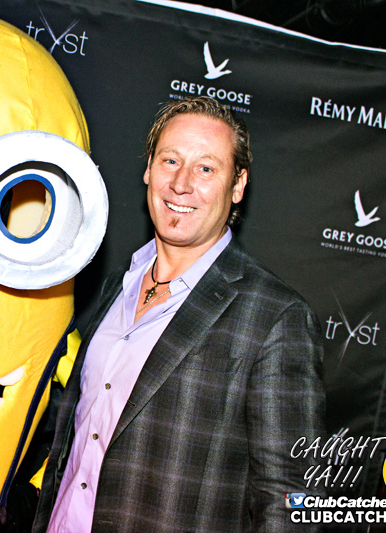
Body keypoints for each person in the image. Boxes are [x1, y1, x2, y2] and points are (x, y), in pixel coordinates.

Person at [31, 96, 326, 532]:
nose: (181, 183)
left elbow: (291, 497)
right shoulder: (116, 286)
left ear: (238, 185)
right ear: (148, 170)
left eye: (206, 168)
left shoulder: (275, 318)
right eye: (170, 161)